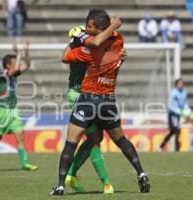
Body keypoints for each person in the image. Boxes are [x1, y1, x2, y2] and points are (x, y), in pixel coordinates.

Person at [50, 9, 150, 195]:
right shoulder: (118, 41)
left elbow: (66, 56)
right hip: (108, 102)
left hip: (86, 99)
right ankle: (141, 173)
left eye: (90, 27)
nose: (87, 29)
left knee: (71, 142)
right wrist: (110, 29)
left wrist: (75, 40)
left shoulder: (87, 49)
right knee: (119, 140)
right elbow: (109, 45)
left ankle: (61, 185)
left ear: (101, 28)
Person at [64, 17, 123, 195]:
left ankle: (71, 174)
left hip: (89, 97)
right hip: (80, 96)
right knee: (94, 139)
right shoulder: (84, 49)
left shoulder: (81, 47)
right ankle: (106, 183)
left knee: (95, 139)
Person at [0, 40, 38, 172]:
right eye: (14, 62)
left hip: (13, 111)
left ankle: (24, 163)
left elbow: (27, 65)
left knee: (20, 136)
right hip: (2, 111)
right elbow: (13, 70)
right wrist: (18, 53)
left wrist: (25, 51)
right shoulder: (2, 74)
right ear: (8, 65)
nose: (17, 65)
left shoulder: (12, 72)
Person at [160, 79, 190, 151]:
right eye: (179, 84)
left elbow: (184, 103)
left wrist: (187, 110)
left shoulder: (184, 92)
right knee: (176, 130)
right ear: (176, 85)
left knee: (173, 132)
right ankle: (177, 149)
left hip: (178, 114)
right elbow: (170, 105)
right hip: (172, 114)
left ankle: (161, 145)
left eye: (182, 84)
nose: (181, 85)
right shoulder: (173, 93)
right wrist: (177, 111)